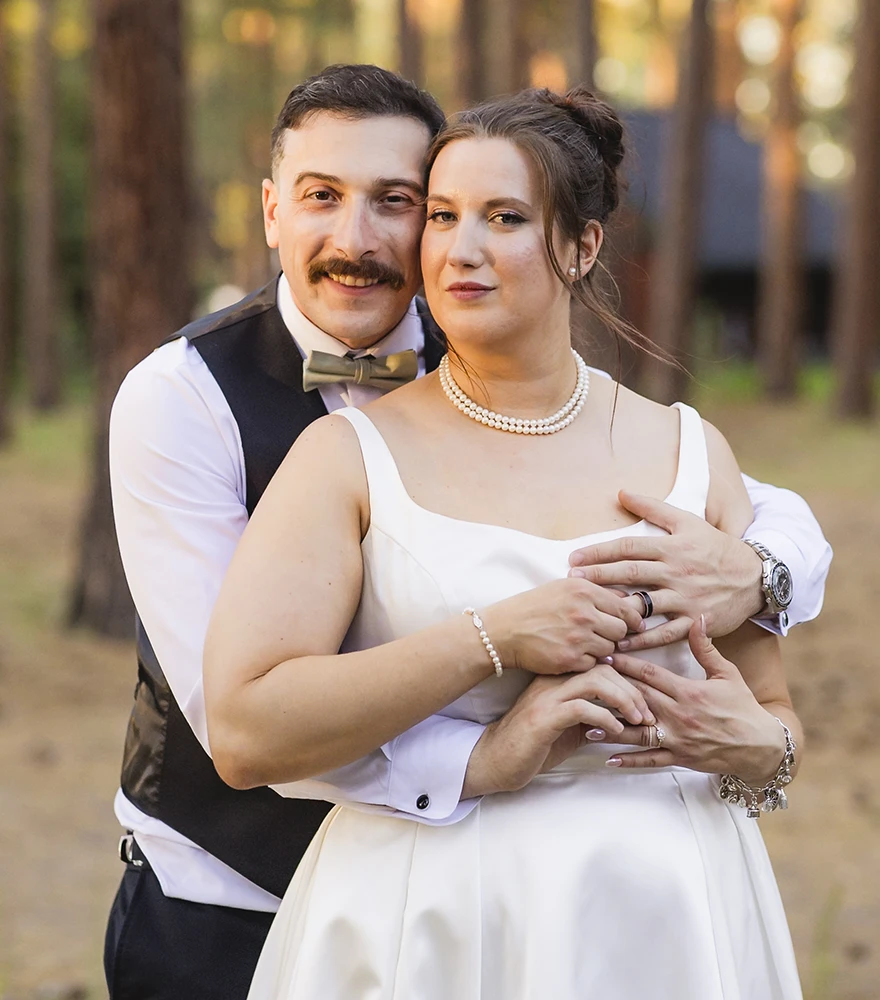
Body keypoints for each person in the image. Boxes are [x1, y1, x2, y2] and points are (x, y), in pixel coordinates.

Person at [105, 66, 828, 999]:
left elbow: (762, 540)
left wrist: (762, 580)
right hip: (262, 894)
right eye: (323, 196)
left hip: (661, 911)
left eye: (400, 203)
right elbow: (234, 719)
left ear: (581, 246)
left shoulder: (565, 379)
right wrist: (490, 708)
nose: (360, 239)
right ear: (271, 211)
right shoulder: (189, 402)